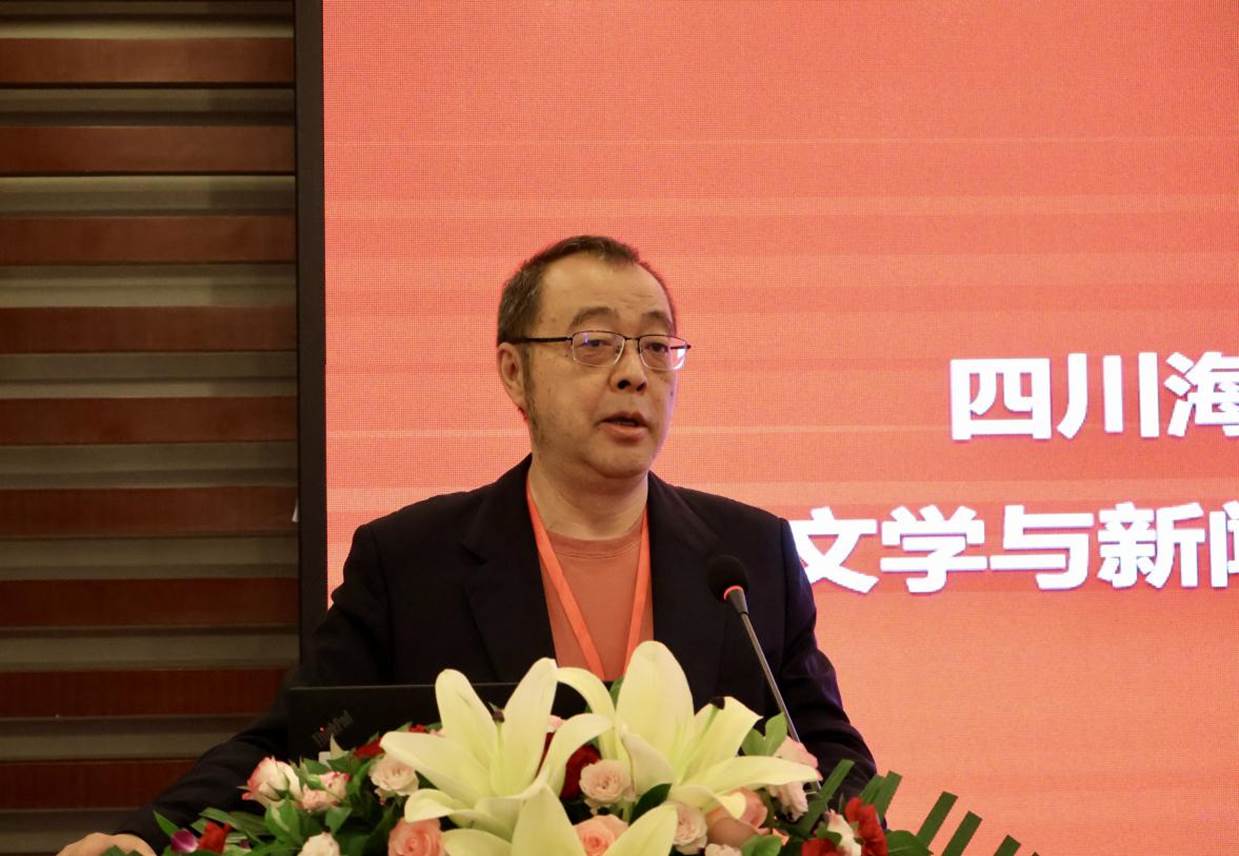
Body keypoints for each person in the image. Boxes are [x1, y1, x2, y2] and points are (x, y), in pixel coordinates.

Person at [58, 235, 875, 856]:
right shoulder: (412, 561)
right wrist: (147, 837)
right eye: (594, 343)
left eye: (657, 346)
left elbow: (830, 757)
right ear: (513, 373)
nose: (635, 373)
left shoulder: (747, 554)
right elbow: (291, 745)